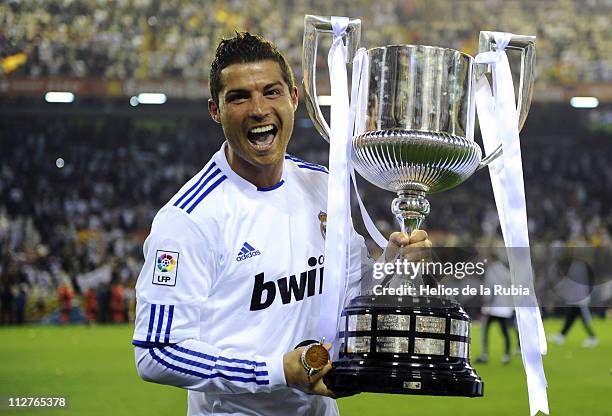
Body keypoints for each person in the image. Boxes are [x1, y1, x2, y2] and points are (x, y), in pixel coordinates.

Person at [132, 32, 430, 416]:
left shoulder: (323, 186)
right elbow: (157, 352)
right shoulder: (189, 219)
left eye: (271, 92)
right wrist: (274, 371)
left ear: (294, 97)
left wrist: (394, 266)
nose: (258, 109)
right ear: (215, 110)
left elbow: (355, 293)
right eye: (239, 96)